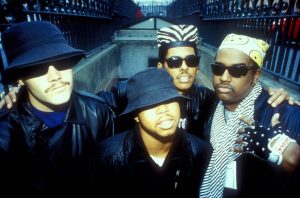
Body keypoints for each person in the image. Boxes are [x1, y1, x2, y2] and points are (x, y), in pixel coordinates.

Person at [0, 24, 296, 135]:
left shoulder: (209, 98)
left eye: (192, 61)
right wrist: (21, 93)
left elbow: (240, 92)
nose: (184, 68)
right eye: (175, 61)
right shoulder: (132, 91)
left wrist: (272, 90)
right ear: (160, 64)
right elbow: (90, 103)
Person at [0, 21, 114, 195]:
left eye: (61, 61)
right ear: (20, 79)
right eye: (38, 67)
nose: (55, 76)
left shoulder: (98, 113)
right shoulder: (5, 134)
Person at [199, 33, 300, 198]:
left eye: (237, 70)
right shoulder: (209, 105)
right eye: (218, 68)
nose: (224, 77)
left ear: (256, 76)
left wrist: (285, 156)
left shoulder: (284, 115)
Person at [97, 68, 212, 197]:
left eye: (169, 100)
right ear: (136, 116)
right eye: (150, 104)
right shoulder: (108, 156)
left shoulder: (201, 152)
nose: (163, 110)